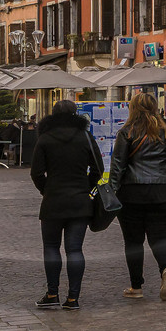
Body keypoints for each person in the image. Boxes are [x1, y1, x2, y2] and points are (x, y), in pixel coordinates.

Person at [30, 100, 102, 310]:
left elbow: (36, 173)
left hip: (53, 201)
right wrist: (85, 188)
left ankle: (52, 293)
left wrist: (46, 189)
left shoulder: (45, 139)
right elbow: (97, 170)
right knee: (75, 250)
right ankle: (73, 298)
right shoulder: (86, 137)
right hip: (80, 201)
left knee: (51, 247)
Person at [110, 92, 166, 301]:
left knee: (133, 242)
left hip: (132, 193)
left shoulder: (126, 133)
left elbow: (117, 167)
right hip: (165, 191)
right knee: (161, 238)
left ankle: (136, 287)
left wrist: (111, 193)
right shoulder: (164, 132)